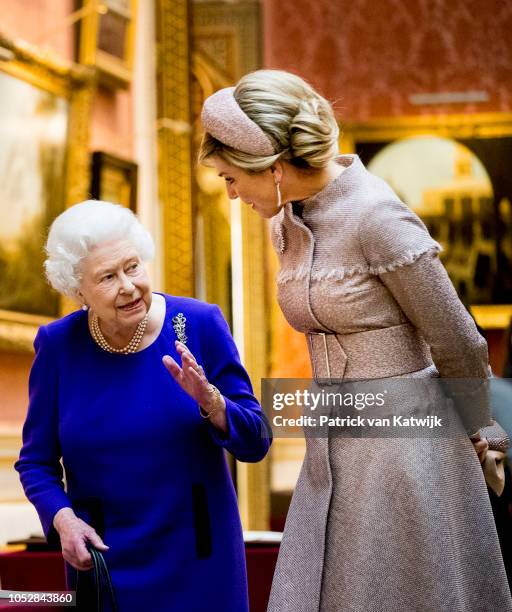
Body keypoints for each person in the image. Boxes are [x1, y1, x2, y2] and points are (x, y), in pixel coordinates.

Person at [199, 69, 512, 611]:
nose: (230, 195)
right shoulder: (285, 222)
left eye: (231, 178)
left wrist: (487, 433)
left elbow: (457, 337)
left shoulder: (378, 217)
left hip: (407, 448)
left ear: (272, 169)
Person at [15, 200, 271, 612]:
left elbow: (256, 440)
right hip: (104, 558)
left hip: (201, 561)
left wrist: (213, 403)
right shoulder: (59, 345)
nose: (129, 286)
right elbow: (36, 462)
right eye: (108, 277)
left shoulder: (199, 323)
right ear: (78, 288)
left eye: (133, 267)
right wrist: (62, 519)